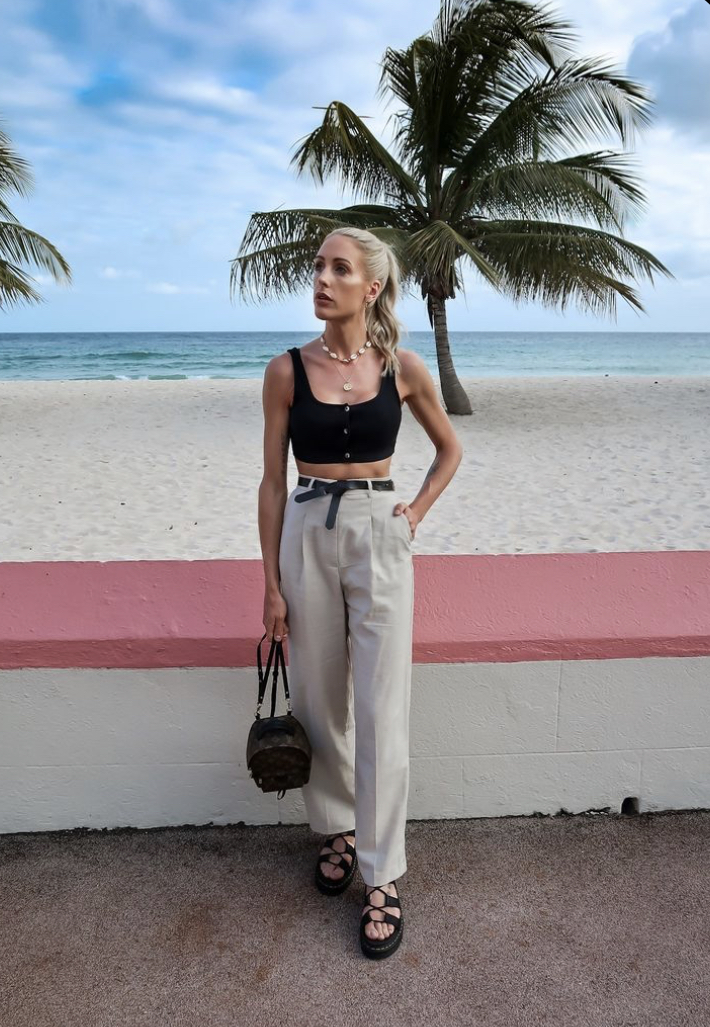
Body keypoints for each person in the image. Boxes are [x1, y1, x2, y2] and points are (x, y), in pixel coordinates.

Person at [258, 226, 463, 958]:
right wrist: (270, 584)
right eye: (318, 266)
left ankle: (382, 874)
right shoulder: (285, 370)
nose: (322, 278)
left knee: (382, 706)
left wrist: (415, 513)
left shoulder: (403, 367)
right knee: (320, 699)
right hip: (307, 531)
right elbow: (272, 482)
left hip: (380, 530)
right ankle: (336, 830)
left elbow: (450, 449)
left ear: (370, 287)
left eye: (339, 268)